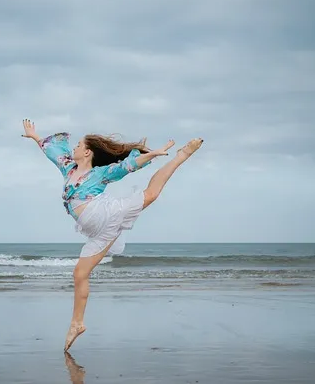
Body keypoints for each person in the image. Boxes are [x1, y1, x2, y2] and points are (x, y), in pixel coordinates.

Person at [21, 119, 203, 351]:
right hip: (97, 233)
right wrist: (35, 136)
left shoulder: (101, 173)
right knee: (79, 274)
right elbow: (52, 152)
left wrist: (153, 154)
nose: (73, 147)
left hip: (108, 215)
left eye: (78, 144)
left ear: (87, 152)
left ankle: (181, 156)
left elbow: (128, 166)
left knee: (151, 194)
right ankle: (77, 323)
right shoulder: (68, 167)